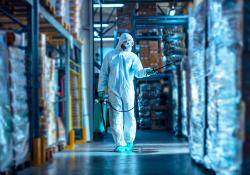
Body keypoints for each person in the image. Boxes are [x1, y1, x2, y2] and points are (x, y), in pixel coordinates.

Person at [98, 33, 154, 152]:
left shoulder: (133, 57)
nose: (128, 45)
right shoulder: (110, 56)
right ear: (121, 42)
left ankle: (129, 141)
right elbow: (103, 74)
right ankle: (119, 143)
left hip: (128, 90)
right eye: (126, 43)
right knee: (116, 117)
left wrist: (146, 71)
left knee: (129, 116)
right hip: (113, 91)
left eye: (130, 43)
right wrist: (101, 89)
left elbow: (138, 73)